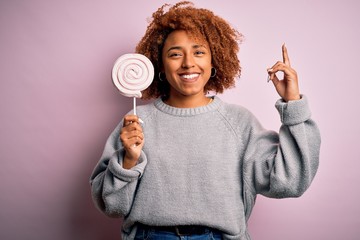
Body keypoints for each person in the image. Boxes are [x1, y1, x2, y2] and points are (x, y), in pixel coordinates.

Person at [90, 1, 321, 240]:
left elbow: (291, 181)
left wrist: (293, 104)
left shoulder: (239, 123)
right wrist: (128, 162)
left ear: (214, 63)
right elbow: (112, 206)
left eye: (199, 52)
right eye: (175, 54)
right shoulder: (136, 124)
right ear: (160, 65)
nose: (188, 62)